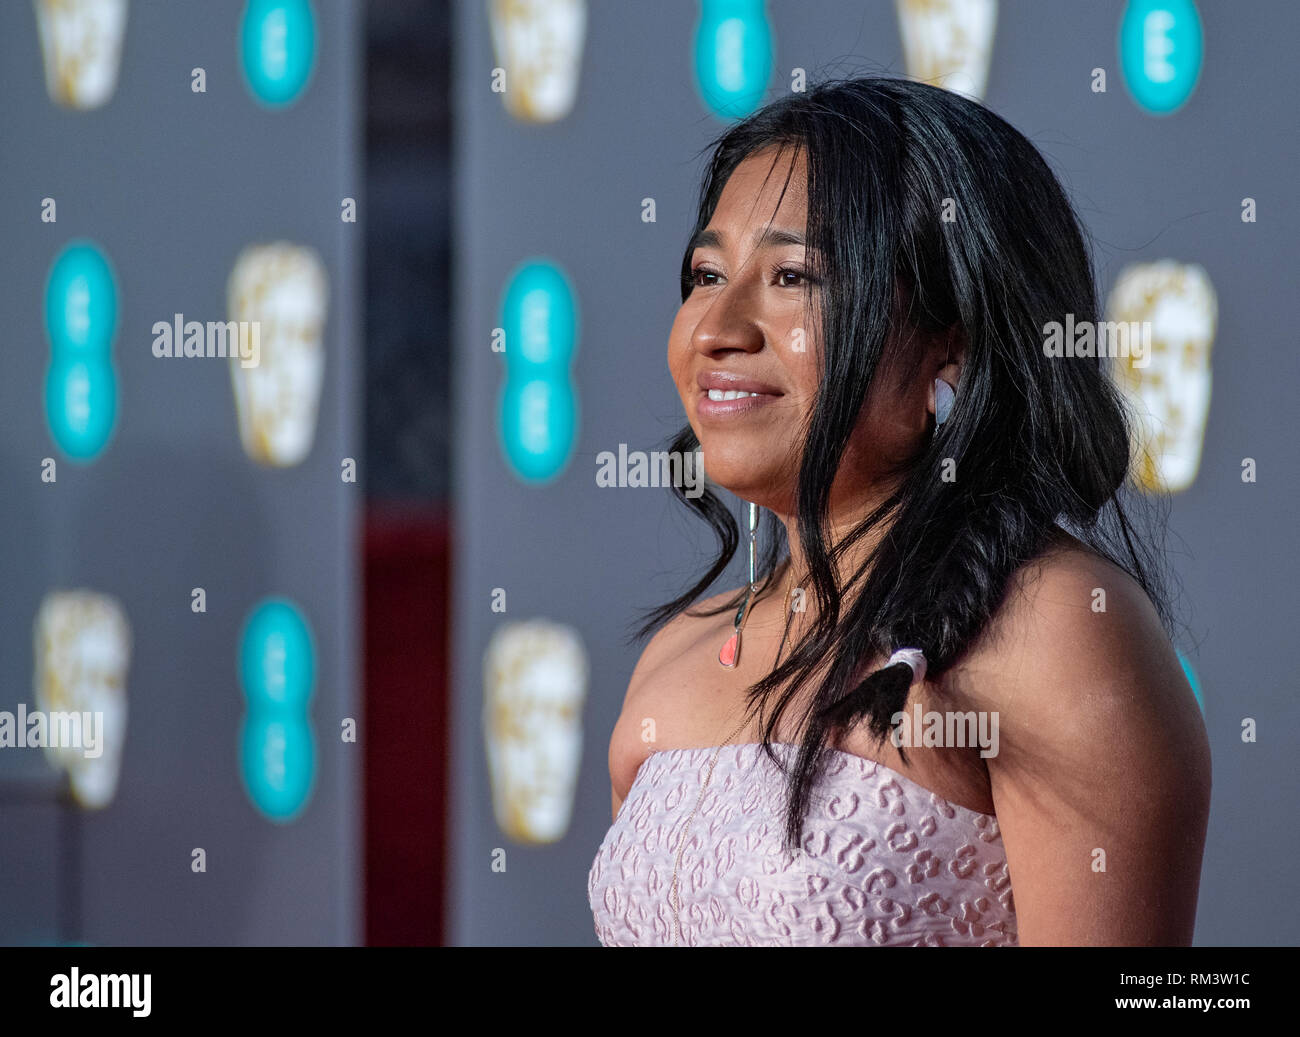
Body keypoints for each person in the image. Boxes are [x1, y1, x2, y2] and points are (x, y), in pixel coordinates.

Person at [587, 76, 1211, 947]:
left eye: (792, 274)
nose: (715, 328)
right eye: (706, 273)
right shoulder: (676, 656)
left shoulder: (1059, 628)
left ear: (950, 340)